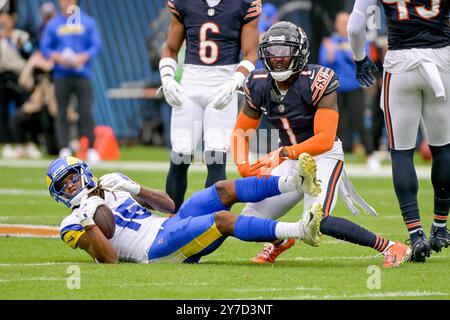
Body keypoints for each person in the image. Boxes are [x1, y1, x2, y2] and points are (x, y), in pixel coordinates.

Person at [231, 21, 411, 268]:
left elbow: (324, 139)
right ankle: (280, 242)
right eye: (272, 52)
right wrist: (243, 165)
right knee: (249, 220)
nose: (277, 59)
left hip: (322, 157)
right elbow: (241, 132)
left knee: (316, 221)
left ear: (300, 52)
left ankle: (391, 247)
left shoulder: (317, 80)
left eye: (284, 51)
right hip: (290, 161)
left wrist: (282, 152)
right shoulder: (258, 83)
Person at [47, 155, 323, 264]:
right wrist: (88, 220)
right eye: (64, 184)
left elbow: (169, 205)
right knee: (222, 219)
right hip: (155, 248)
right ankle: (300, 230)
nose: (71, 185)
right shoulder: (70, 224)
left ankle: (295, 182)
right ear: (59, 194)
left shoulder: (111, 182)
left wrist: (135, 189)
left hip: (168, 224)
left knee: (223, 190)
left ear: (84, 171)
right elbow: (109, 260)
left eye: (72, 177)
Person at [347, 0, 450, 261]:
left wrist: (360, 59)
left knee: (401, 151)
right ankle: (440, 226)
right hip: (442, 60)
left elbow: (355, 26)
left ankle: (416, 236)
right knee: (444, 147)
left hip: (401, 65)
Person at [159, 0, 261, 212]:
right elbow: (170, 49)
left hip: (223, 84)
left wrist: (235, 82)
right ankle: (170, 222)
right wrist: (167, 78)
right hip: (190, 84)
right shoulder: (184, 3)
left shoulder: (244, 3)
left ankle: (213, 223)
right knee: (180, 154)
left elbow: (251, 53)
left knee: (215, 155)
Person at [40, 0, 101, 163]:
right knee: (61, 112)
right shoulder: (53, 24)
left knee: (85, 112)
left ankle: (92, 148)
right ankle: (64, 147)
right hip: (61, 75)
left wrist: (83, 57)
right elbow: (45, 47)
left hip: (82, 74)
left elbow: (96, 45)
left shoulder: (88, 22)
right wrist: (58, 57)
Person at [319, 12, 379, 171]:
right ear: (335, 24)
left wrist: (342, 51)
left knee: (360, 122)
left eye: (346, 22)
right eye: (340, 22)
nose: (343, 26)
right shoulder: (329, 41)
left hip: (354, 87)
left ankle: (370, 155)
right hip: (335, 89)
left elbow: (361, 59)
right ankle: (335, 155)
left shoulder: (358, 39)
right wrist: (336, 52)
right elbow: (325, 61)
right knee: (335, 123)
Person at [0, 12, 29, 158]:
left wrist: (21, 46)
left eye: (6, 19)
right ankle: (6, 144)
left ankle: (23, 144)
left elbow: (30, 51)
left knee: (23, 112)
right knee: (3, 113)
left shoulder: (21, 35)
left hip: (20, 77)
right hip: (3, 76)